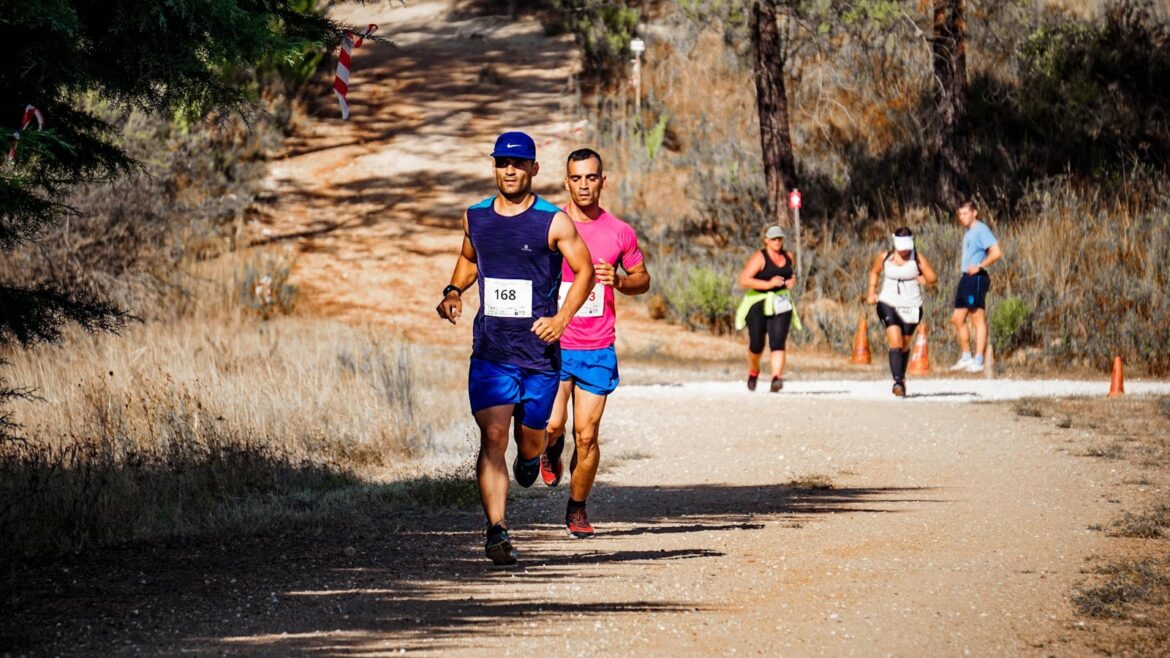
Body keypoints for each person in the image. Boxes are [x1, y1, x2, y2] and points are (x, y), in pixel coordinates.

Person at [435, 131, 594, 566]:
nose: (510, 170)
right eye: (503, 162)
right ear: (494, 167)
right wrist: (453, 290)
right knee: (492, 436)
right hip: (491, 352)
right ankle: (496, 532)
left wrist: (561, 320)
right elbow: (470, 258)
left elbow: (585, 273)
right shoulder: (476, 217)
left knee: (528, 441)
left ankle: (532, 458)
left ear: (533, 169)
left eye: (519, 163)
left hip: (539, 358)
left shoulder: (554, 222)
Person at [541, 148, 650, 539]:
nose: (584, 185)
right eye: (576, 178)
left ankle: (577, 509)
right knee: (553, 424)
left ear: (603, 181)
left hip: (596, 347)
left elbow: (643, 279)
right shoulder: (550, 225)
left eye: (591, 177)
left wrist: (619, 281)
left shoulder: (620, 231)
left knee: (586, 436)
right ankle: (550, 447)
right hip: (554, 344)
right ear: (566, 181)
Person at [866, 227, 938, 397]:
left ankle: (901, 378)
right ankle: (897, 382)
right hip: (887, 302)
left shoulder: (917, 258)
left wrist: (924, 279)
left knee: (904, 345)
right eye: (901, 246)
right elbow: (874, 272)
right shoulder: (885, 257)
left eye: (907, 246)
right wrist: (871, 291)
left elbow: (933, 278)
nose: (905, 250)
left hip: (912, 305)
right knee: (895, 342)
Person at [734, 225, 800, 392]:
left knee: (778, 341)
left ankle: (776, 378)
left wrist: (792, 281)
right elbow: (743, 280)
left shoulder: (789, 256)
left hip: (781, 302)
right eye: (773, 239)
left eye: (779, 238)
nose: (777, 241)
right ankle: (754, 370)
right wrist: (768, 284)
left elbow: (791, 275)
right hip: (759, 301)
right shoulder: (760, 258)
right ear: (766, 241)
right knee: (757, 343)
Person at [949, 200, 1002, 373]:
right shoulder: (968, 233)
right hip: (966, 277)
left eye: (965, 213)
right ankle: (966, 356)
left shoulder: (981, 229)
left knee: (978, 318)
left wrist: (981, 265)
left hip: (977, 278)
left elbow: (996, 252)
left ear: (974, 213)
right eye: (960, 214)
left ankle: (979, 359)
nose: (962, 217)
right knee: (957, 318)